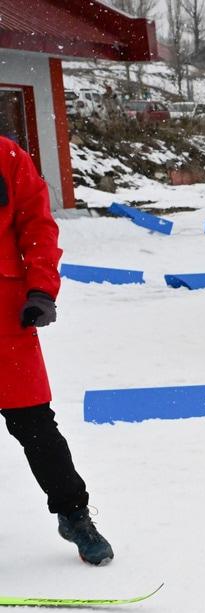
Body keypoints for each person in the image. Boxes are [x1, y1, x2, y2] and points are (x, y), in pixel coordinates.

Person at [1, 136, 113, 565]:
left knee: (37, 430)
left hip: (5, 319)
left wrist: (41, 290)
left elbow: (37, 226)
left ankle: (75, 515)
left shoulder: (7, 157)